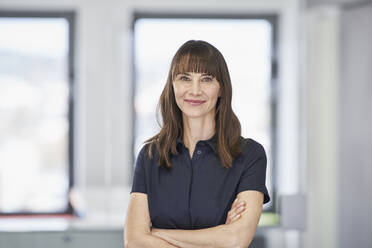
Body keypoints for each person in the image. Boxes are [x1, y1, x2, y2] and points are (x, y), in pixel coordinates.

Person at [124, 40, 270, 248]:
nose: (194, 90)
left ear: (221, 89)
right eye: (185, 78)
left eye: (207, 79)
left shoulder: (249, 155)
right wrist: (216, 238)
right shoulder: (150, 155)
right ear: (172, 85)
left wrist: (156, 234)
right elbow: (134, 242)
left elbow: (236, 240)